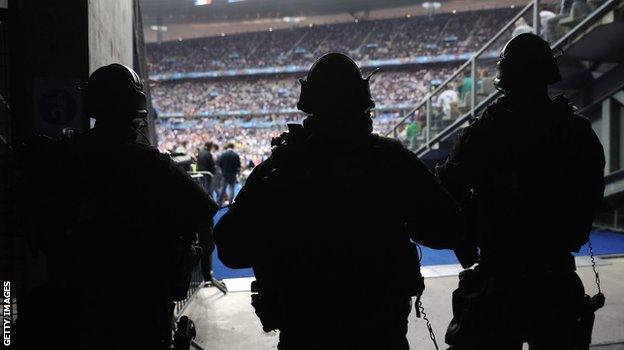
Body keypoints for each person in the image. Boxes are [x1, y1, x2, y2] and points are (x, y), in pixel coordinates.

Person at [214, 53, 475, 350]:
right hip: (380, 332)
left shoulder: (280, 168)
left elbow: (231, 249)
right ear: (363, 105)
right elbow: (447, 228)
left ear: (309, 106)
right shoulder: (391, 160)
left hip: (305, 331)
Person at [17, 64, 218, 350]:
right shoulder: (154, 166)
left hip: (73, 305)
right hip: (140, 312)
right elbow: (203, 219)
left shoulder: (59, 158)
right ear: (135, 111)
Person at [437, 33, 605, 350]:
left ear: (506, 76)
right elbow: (591, 191)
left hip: (498, 276)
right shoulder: (575, 130)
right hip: (554, 272)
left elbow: (450, 187)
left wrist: (466, 232)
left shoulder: (485, 129)